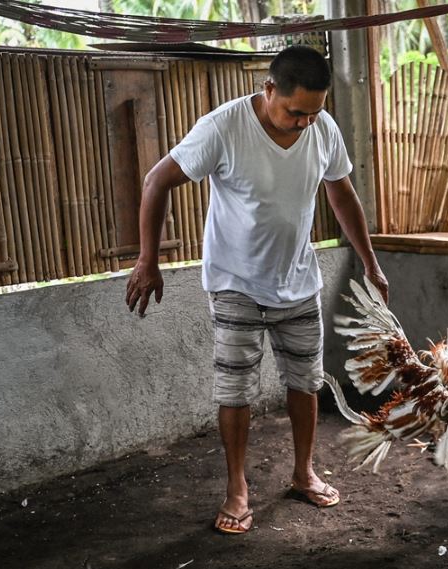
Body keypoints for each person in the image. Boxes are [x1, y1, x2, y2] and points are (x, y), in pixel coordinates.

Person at [125, 45, 388, 535]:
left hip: (298, 281)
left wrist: (370, 261)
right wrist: (148, 260)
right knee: (235, 389)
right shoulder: (223, 127)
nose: (305, 122)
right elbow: (155, 181)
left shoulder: (321, 128)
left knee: (306, 383)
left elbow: (342, 192)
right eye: (295, 112)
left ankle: (303, 472)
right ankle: (236, 489)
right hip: (235, 283)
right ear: (269, 90)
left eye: (315, 112)